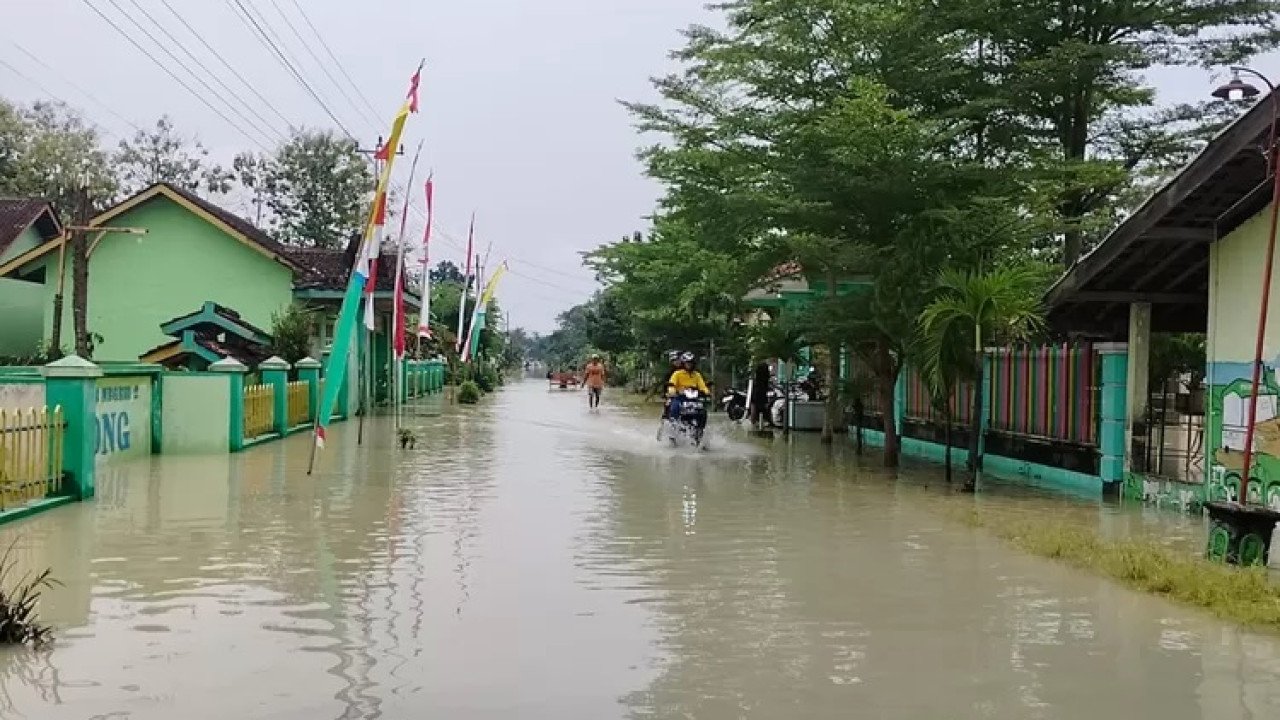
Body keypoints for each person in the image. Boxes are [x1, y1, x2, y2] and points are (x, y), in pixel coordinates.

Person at [666, 351, 710, 425]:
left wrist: (706, 392)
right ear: (683, 363)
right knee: (675, 407)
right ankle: (674, 426)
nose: (689, 365)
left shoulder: (697, 375)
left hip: (694, 398)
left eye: (690, 363)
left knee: (703, 411)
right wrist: (673, 391)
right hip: (680, 397)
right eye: (687, 363)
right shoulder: (677, 374)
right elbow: (672, 385)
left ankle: (700, 429)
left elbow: (702, 386)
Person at [749, 362, 771, 428]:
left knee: (755, 407)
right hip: (761, 394)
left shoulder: (757, 377)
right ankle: (761, 422)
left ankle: (754, 422)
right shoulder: (765, 377)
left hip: (755, 393)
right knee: (762, 408)